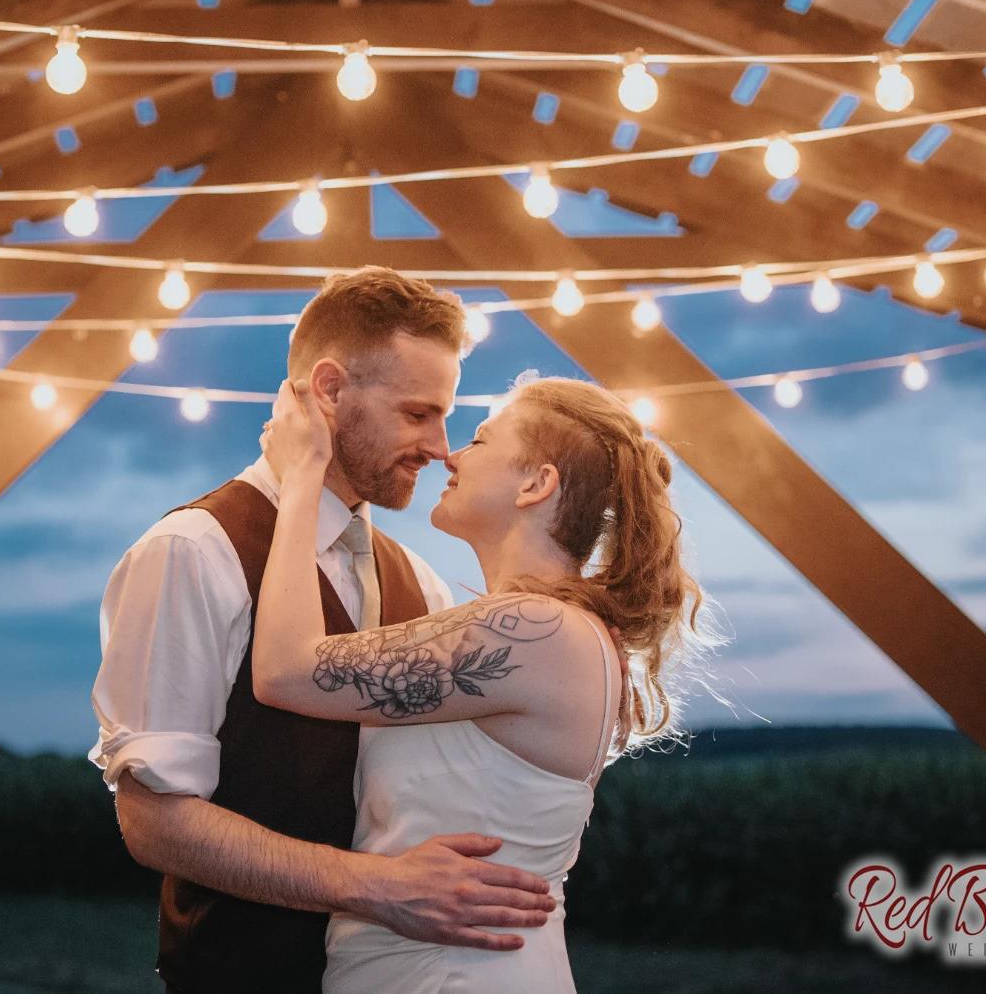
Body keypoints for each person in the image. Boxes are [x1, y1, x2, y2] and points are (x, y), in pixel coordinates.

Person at [88, 267, 559, 994]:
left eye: (445, 417)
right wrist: (377, 887)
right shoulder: (193, 551)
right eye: (417, 414)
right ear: (330, 390)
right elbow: (154, 820)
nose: (440, 447)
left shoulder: (419, 580)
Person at [251, 371, 722, 993]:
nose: (451, 454)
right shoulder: (550, 629)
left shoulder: (531, 628)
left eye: (478, 439)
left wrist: (302, 473)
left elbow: (286, 670)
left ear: (536, 483)